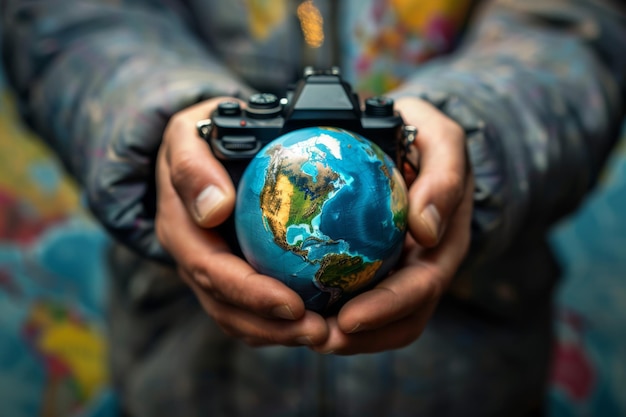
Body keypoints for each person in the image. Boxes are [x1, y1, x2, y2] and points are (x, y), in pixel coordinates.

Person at [2, 0, 625, 415]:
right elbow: (68, 19)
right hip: (184, 387)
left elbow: (578, 31)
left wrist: (474, 138)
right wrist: (164, 122)